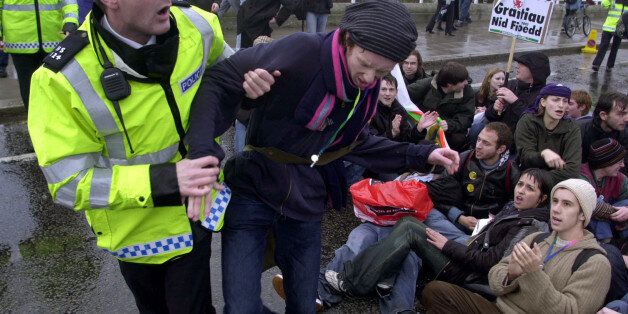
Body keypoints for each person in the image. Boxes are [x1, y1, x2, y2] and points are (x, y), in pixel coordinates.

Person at [186, 1, 461, 312]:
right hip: (255, 189)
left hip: (306, 200)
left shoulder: (367, 89)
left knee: (304, 306)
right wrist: (202, 151)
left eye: (382, 72)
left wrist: (424, 153)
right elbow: (219, 79)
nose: (370, 79)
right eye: (365, 64)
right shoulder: (302, 51)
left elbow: (358, 144)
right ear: (346, 39)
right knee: (241, 308)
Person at [27, 1, 234, 312]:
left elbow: (228, 73)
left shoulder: (198, 24)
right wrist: (166, 180)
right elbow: (69, 182)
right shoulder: (60, 78)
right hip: (137, 236)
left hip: (199, 210)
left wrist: (250, 81)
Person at [321, 168, 552, 312]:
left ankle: (352, 282)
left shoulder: (530, 224)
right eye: (520, 184)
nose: (520, 191)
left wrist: (447, 245)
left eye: (529, 188)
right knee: (413, 219)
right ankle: (382, 276)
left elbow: (490, 263)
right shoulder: (517, 209)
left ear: (542, 198)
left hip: (465, 269)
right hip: (467, 246)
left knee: (410, 228)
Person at [422, 178, 612, 314]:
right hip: (499, 308)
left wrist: (534, 274)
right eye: (555, 201)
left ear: (582, 215)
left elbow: (570, 310)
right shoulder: (538, 238)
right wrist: (511, 275)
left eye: (567, 204)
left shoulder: (595, 261)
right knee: (435, 291)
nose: (556, 209)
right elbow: (496, 278)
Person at [0, 0, 79, 109]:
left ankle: (56, 123)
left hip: (53, 40)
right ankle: (34, 124)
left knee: (56, 89)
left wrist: (70, 21)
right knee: (29, 89)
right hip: (20, 42)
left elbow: (69, 2)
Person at [515, 84, 581, 185]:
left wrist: (540, 180)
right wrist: (543, 154)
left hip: (554, 182)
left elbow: (572, 170)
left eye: (565, 101)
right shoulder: (528, 121)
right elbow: (525, 157)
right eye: (556, 100)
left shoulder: (571, 127)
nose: (561, 105)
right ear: (543, 102)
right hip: (525, 179)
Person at [407, 61, 475, 152]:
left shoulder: (467, 92)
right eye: (463, 81)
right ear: (450, 85)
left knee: (458, 139)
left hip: (449, 129)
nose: (466, 82)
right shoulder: (426, 85)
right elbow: (404, 96)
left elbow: (466, 117)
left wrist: (449, 124)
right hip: (424, 126)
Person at [484, 51, 551, 134]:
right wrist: (495, 109)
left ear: (534, 70)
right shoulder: (510, 85)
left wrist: (515, 102)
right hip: (499, 136)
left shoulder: (545, 95)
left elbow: (535, 123)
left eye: (522, 64)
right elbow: (489, 116)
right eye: (518, 63)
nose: (517, 67)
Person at [581, 138, 628, 243]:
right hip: (585, 224)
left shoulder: (619, 179)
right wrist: (619, 213)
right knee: (595, 208)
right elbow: (591, 205)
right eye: (619, 162)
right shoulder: (581, 177)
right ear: (606, 163)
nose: (623, 165)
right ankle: (606, 245)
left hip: (612, 222)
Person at [579, 92, 628, 172]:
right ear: (603, 115)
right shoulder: (580, 131)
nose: (627, 119)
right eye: (621, 114)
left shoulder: (624, 135)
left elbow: (624, 168)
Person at [468, 68, 506, 146]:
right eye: (498, 79)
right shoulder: (478, 94)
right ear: (489, 79)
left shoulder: (502, 95)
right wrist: (476, 112)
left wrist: (487, 111)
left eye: (503, 79)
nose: (501, 82)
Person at [592, 0, 626, 71]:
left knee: (613, 47)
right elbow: (604, 5)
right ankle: (597, 65)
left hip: (619, 28)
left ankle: (608, 66)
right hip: (609, 27)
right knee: (605, 46)